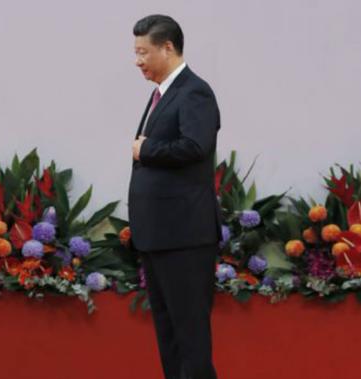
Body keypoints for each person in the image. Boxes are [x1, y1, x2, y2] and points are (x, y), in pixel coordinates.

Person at [128, 15, 222, 379]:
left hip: (184, 236)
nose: (137, 61)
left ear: (167, 47)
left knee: (190, 337)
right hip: (160, 236)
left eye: (143, 52)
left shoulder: (194, 91)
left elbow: (196, 146)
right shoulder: (162, 95)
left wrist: (147, 150)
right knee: (170, 336)